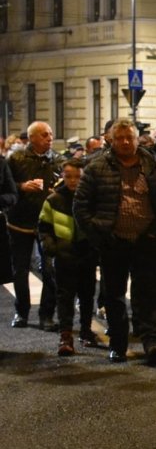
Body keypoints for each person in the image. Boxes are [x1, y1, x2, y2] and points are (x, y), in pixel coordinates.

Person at [75, 118, 156, 363]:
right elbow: (80, 207)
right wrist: (99, 235)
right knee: (114, 296)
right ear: (111, 140)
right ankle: (118, 344)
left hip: (148, 241)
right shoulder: (97, 167)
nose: (124, 142)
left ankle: (151, 342)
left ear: (136, 139)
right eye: (119, 138)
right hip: (114, 242)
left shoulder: (154, 167)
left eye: (129, 137)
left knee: (148, 295)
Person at [37, 159, 100, 355]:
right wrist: (50, 246)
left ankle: (85, 330)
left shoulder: (91, 198)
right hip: (64, 256)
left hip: (87, 254)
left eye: (78, 177)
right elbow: (43, 227)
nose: (73, 181)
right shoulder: (54, 200)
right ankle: (65, 336)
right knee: (64, 297)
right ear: (63, 176)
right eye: (69, 176)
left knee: (87, 295)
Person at [8, 121, 64, 331]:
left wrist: (57, 193)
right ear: (32, 138)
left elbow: (68, 187)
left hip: (47, 223)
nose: (49, 138)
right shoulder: (16, 158)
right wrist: (22, 186)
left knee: (49, 270)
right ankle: (21, 312)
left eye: (50, 134)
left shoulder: (57, 160)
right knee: (20, 271)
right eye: (44, 135)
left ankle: (46, 315)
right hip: (19, 222)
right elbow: (6, 185)